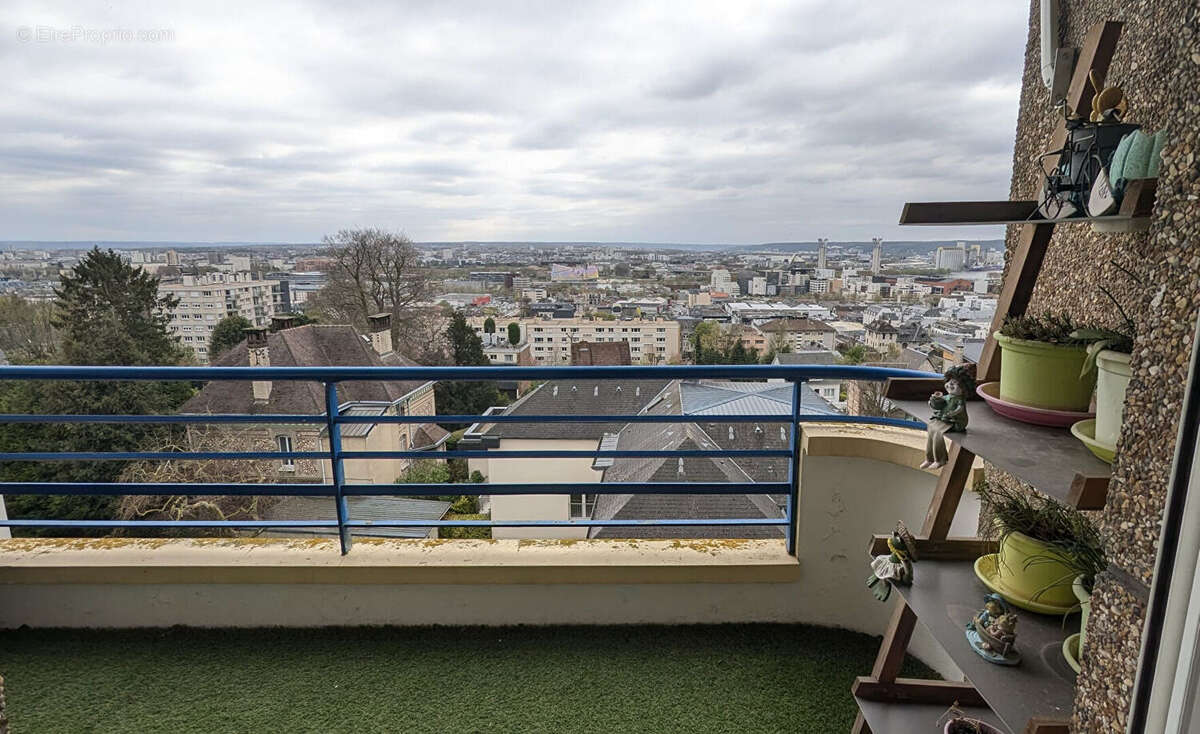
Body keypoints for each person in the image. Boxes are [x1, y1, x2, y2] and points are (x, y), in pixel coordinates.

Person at [921, 365, 974, 469]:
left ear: (963, 388)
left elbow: (960, 409)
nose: (950, 385)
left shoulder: (959, 399)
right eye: (949, 382)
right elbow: (939, 405)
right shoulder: (948, 397)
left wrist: (952, 413)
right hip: (945, 419)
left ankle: (940, 460)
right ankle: (929, 458)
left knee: (937, 433)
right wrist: (932, 401)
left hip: (955, 422)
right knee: (931, 429)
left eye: (954, 384)